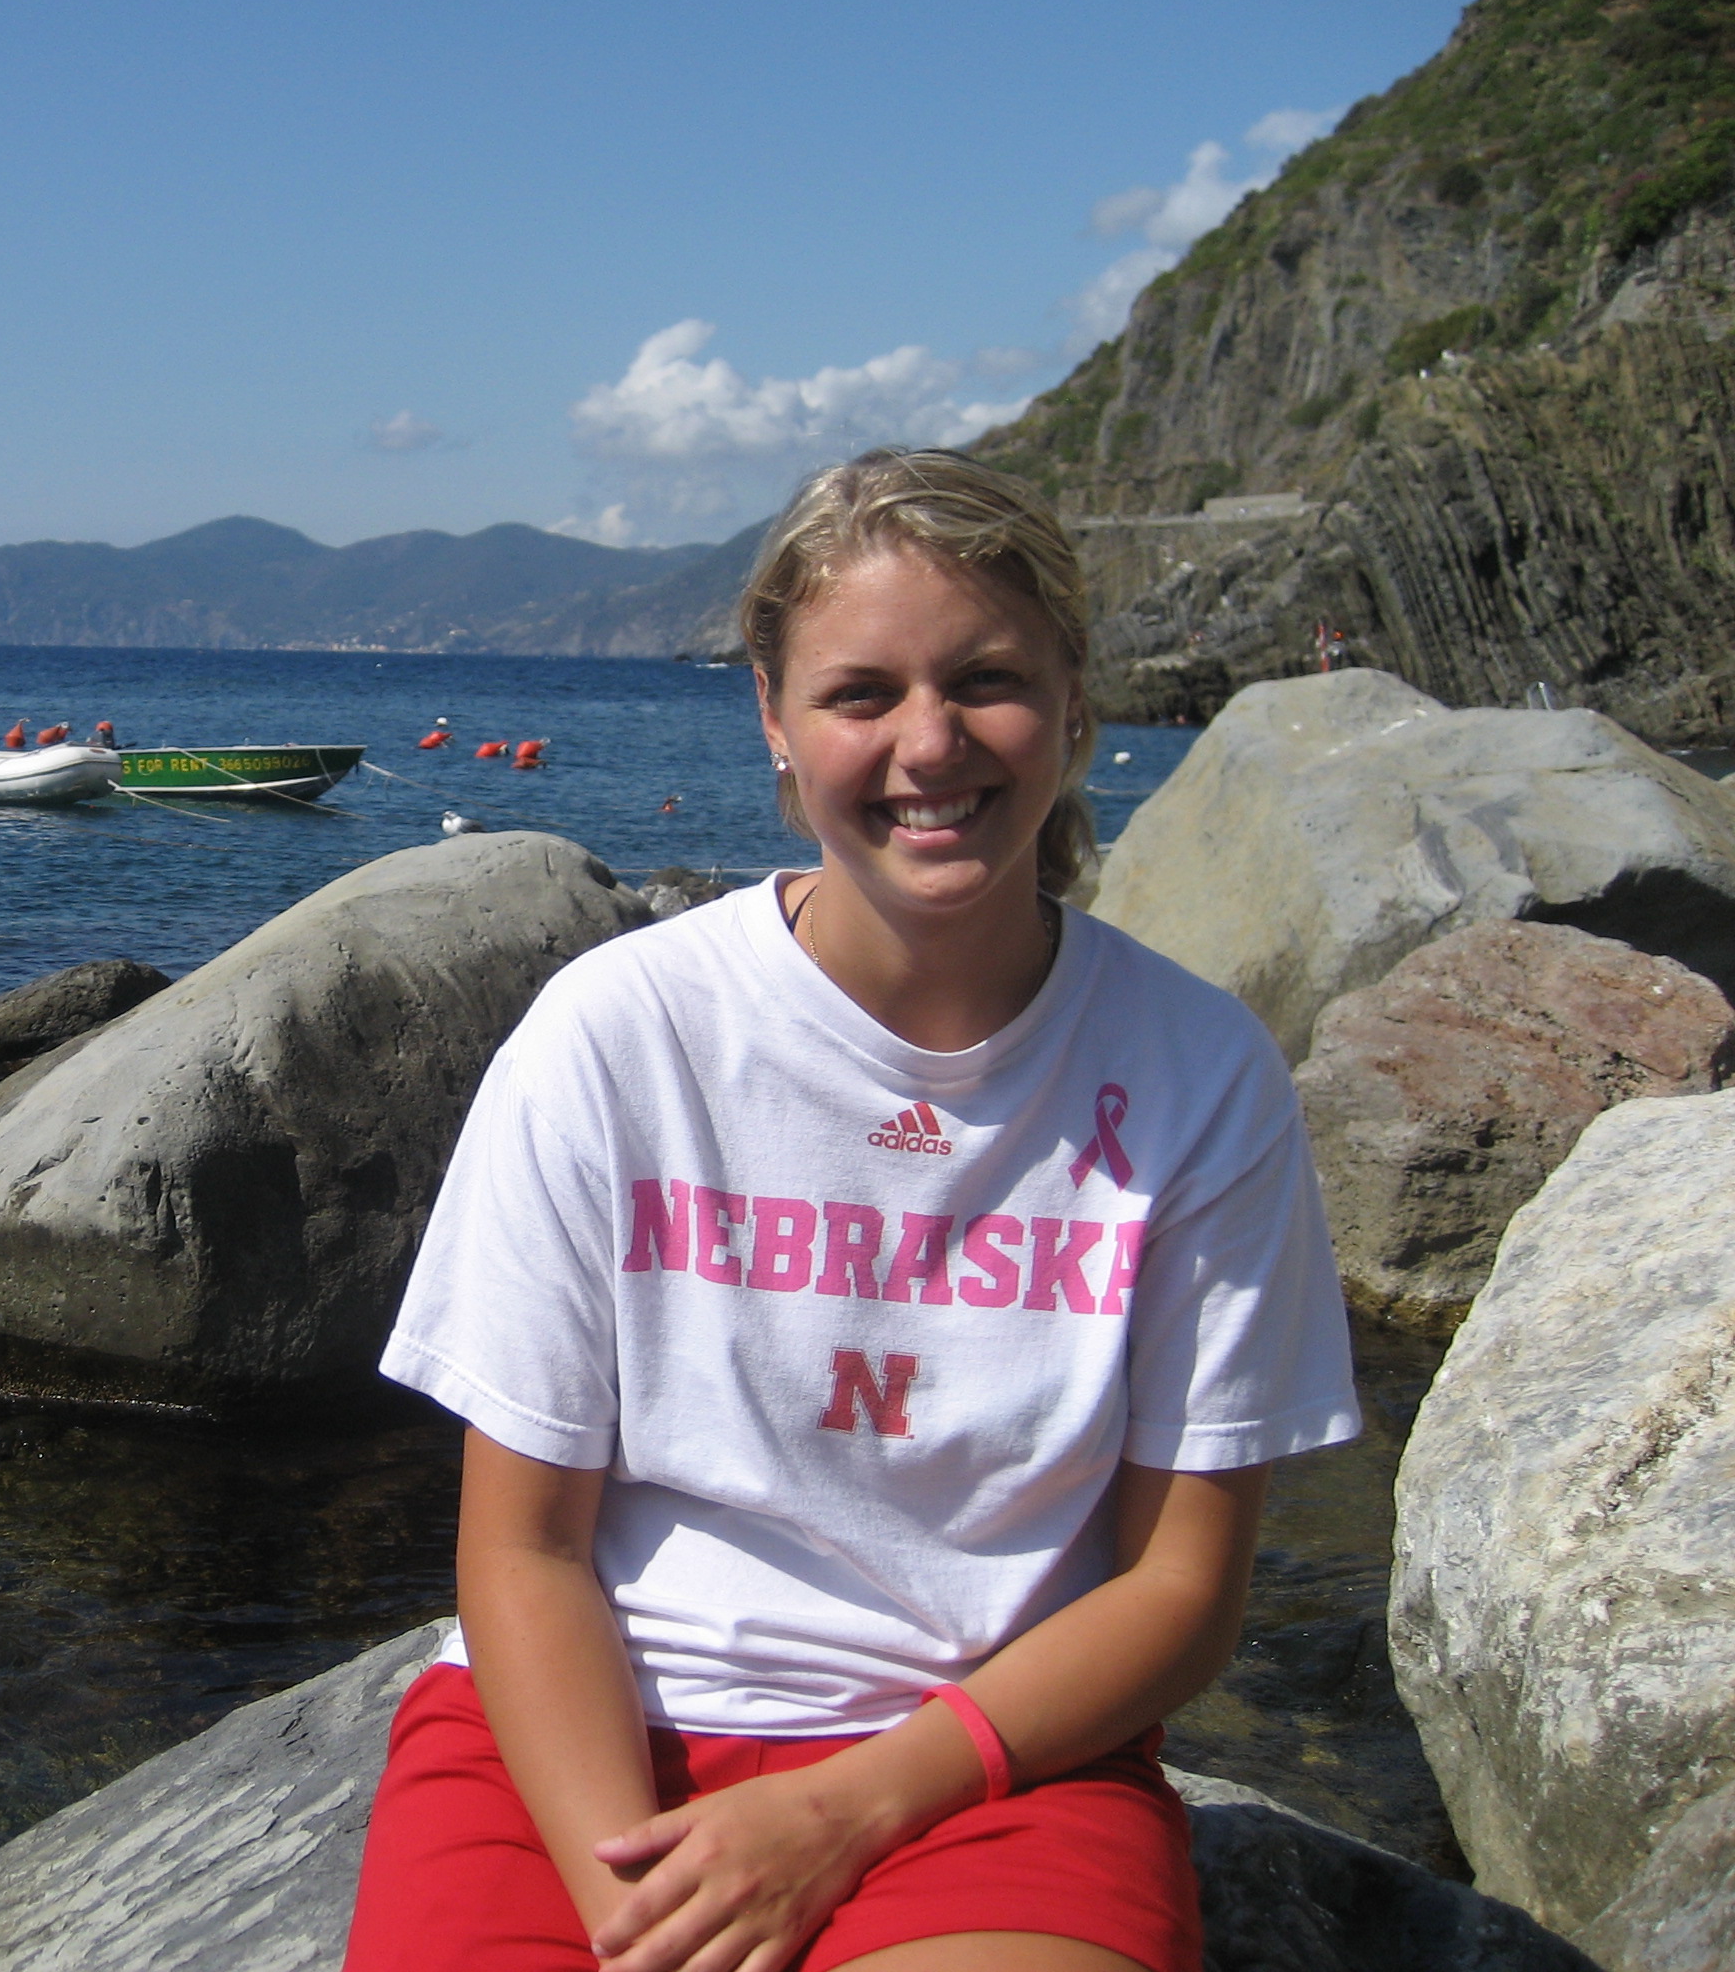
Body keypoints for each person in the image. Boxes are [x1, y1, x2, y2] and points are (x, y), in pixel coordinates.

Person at [343, 448, 1360, 1972]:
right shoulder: (621, 1036)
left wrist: (853, 1808)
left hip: (992, 1761)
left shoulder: (1196, 1075)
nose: (930, 743)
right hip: (578, 1735)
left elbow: (1180, 1586)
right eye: (861, 692)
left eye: (990, 679)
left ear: (1076, 700)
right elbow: (525, 1553)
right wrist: (648, 1920)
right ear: (773, 715)